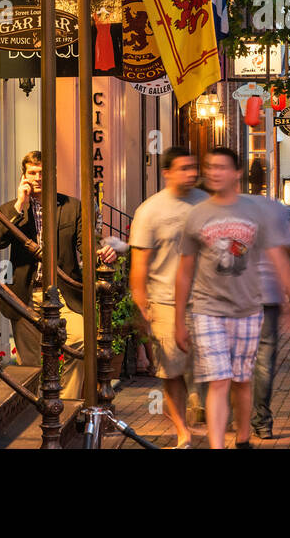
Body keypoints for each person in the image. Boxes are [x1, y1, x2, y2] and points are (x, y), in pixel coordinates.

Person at [174, 147, 290, 449]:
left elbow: (280, 261)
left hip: (249, 309)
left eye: (221, 167)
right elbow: (184, 271)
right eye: (210, 166)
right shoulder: (196, 215)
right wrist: (178, 320)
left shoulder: (255, 213)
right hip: (208, 309)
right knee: (219, 380)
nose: (214, 172)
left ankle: (244, 439)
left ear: (237, 174)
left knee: (241, 381)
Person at [0, 150, 116, 394]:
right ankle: (35, 416)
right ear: (24, 176)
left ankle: (65, 406)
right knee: (30, 365)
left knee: (81, 343)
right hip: (25, 295)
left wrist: (103, 251)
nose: (37, 178)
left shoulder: (72, 207)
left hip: (63, 292)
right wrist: (20, 204)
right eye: (32, 173)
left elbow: (85, 244)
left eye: (42, 173)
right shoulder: (11, 209)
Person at [128, 146, 206, 448]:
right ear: (167, 173)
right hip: (164, 300)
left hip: (206, 300)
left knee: (209, 367)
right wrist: (142, 303)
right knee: (172, 370)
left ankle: (203, 413)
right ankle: (183, 431)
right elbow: (140, 264)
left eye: (193, 167)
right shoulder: (150, 211)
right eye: (184, 168)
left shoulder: (205, 203)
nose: (191, 174)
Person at [249, 173, 290, 440]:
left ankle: (234, 415)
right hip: (267, 296)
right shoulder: (277, 210)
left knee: (237, 360)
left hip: (239, 297)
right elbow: (288, 256)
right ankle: (261, 420)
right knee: (264, 362)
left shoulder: (231, 209)